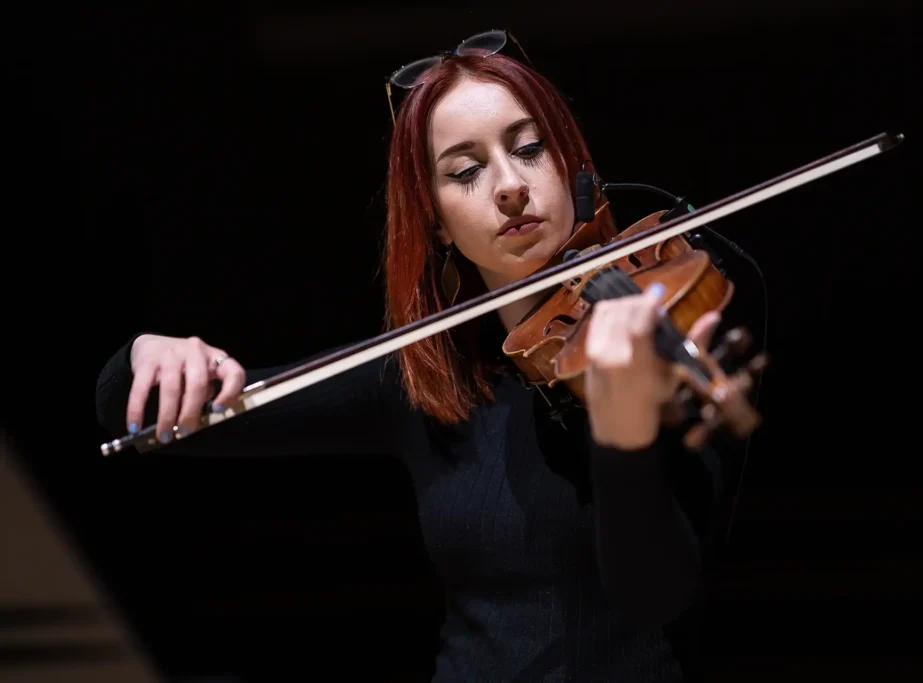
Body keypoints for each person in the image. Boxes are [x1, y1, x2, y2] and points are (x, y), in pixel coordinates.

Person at [96, 31, 745, 682]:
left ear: (570, 163)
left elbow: (655, 595)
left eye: (528, 149)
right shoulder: (428, 375)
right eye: (466, 170)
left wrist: (624, 433)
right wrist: (144, 356)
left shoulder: (668, 319)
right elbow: (157, 415)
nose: (510, 186)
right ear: (436, 219)